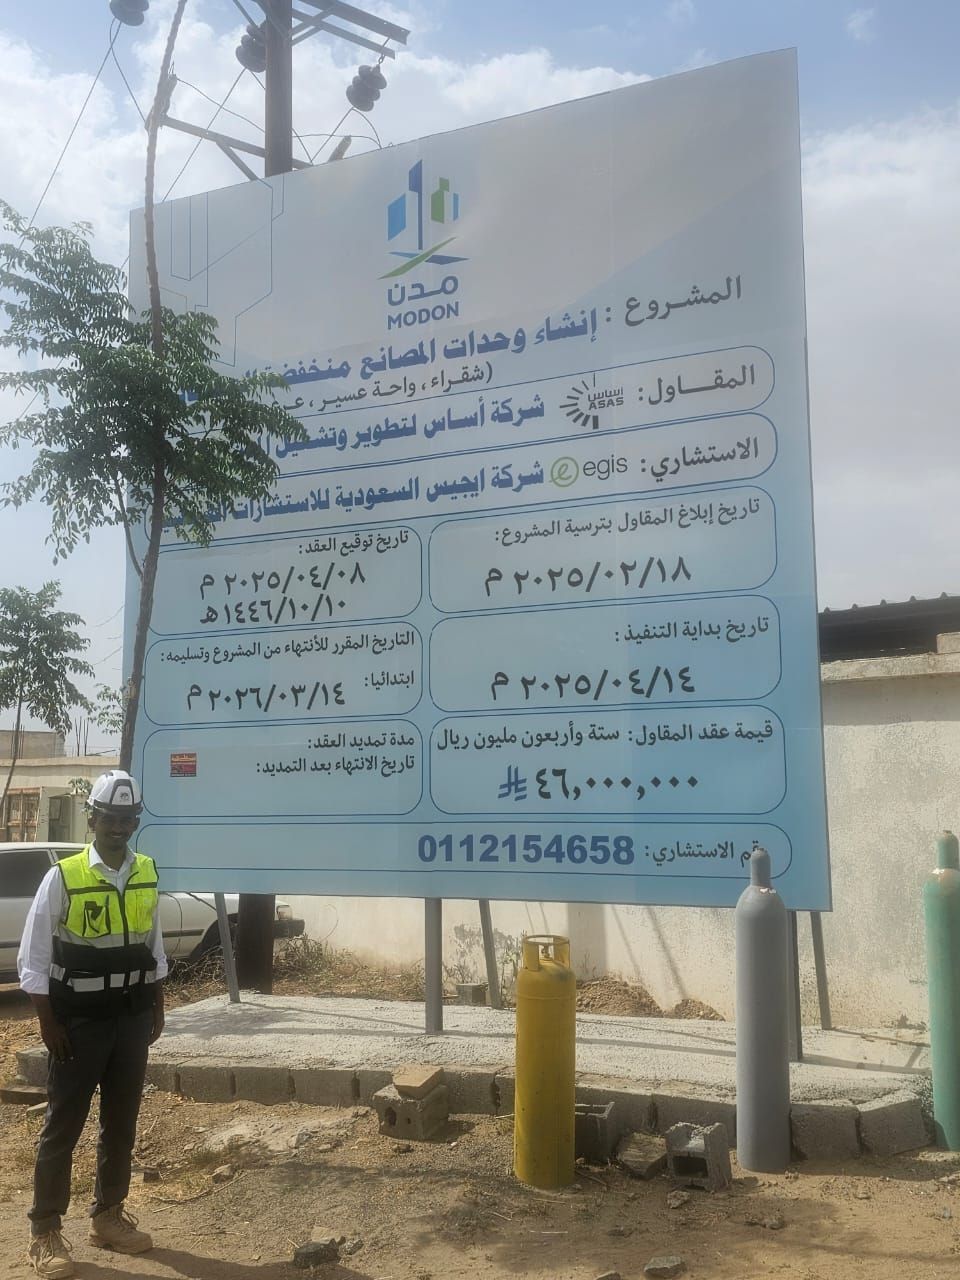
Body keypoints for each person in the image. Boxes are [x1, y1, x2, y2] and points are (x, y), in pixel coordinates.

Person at [17, 769, 166, 1278]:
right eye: (110, 818)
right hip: (79, 1023)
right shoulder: (63, 877)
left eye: (128, 818)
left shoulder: (146, 871)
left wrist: (157, 1004)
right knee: (63, 1126)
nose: (119, 827)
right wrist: (48, 1023)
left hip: (131, 1018)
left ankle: (108, 1216)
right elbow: (34, 958)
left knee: (121, 1124)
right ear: (93, 818)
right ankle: (44, 1232)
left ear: (135, 821)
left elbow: (153, 946)